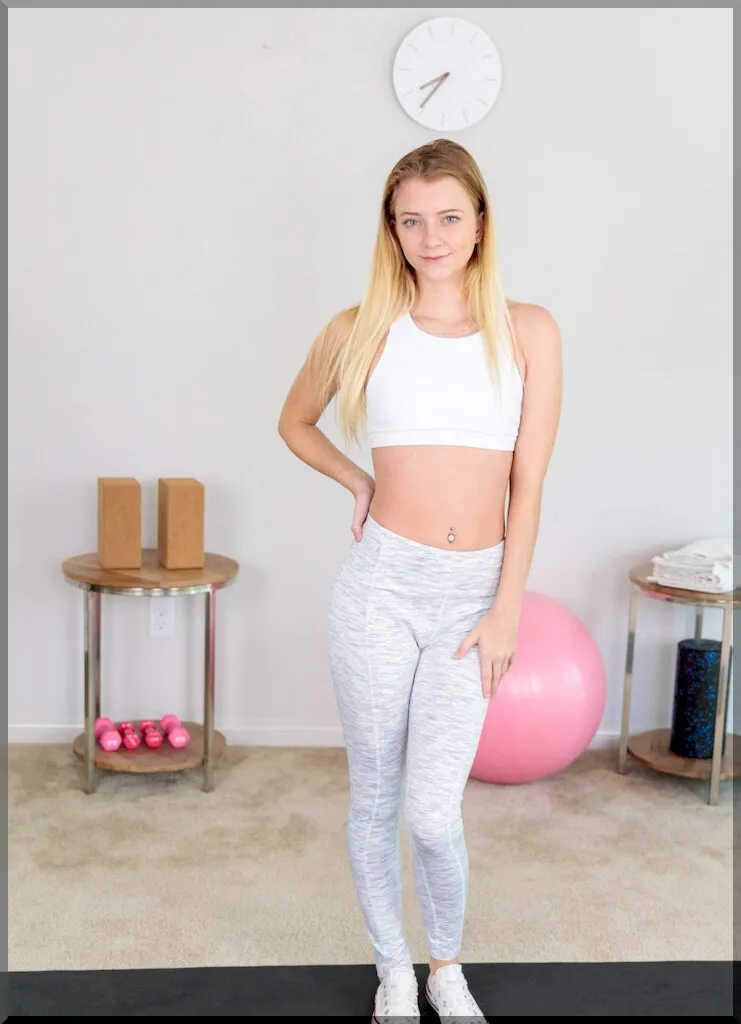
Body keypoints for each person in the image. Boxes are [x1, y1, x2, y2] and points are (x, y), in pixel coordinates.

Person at [278, 138, 562, 1022]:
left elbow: (528, 484)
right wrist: (358, 481)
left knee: (433, 813)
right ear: (390, 230)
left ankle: (445, 967)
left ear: (479, 223)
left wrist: (505, 610)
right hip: (380, 590)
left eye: (447, 217)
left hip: (472, 597)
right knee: (375, 794)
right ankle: (394, 971)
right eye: (410, 220)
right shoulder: (359, 328)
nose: (430, 237)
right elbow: (294, 423)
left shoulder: (528, 331)